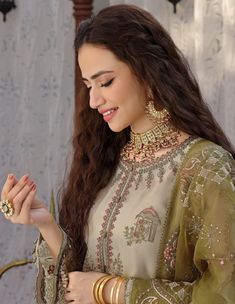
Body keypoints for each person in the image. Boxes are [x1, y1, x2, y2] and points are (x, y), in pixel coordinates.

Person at [1, 4, 235, 304]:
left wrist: (109, 290)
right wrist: (44, 223)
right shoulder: (107, 162)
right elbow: (80, 284)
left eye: (106, 82)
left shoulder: (206, 168)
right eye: (88, 85)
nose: (94, 100)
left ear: (148, 72)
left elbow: (225, 291)